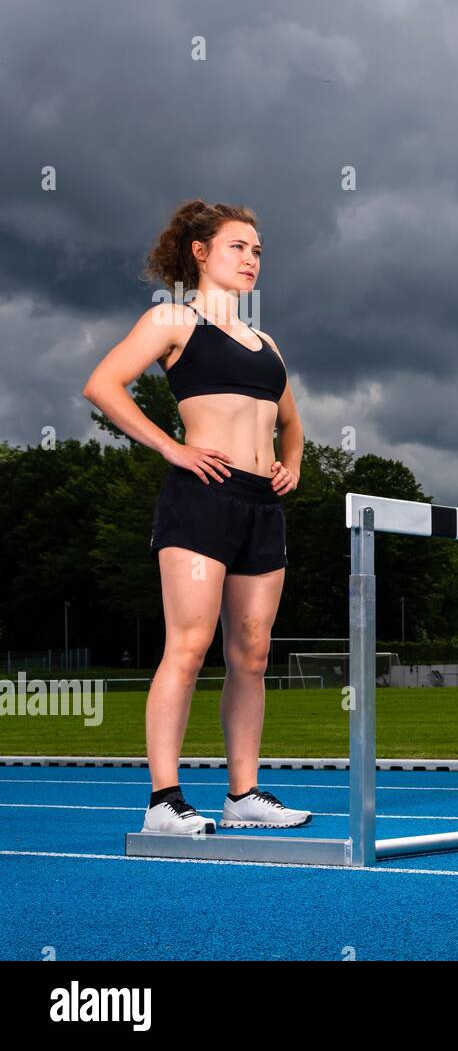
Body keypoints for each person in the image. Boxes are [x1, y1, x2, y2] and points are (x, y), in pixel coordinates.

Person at [82, 199, 311, 836]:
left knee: (253, 654)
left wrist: (291, 462)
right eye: (238, 246)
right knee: (187, 646)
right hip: (201, 496)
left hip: (262, 506)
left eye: (258, 250)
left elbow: (291, 423)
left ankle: (244, 795)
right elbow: (102, 384)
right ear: (200, 253)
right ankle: (164, 801)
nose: (251, 259)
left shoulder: (266, 342)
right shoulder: (173, 320)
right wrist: (171, 447)